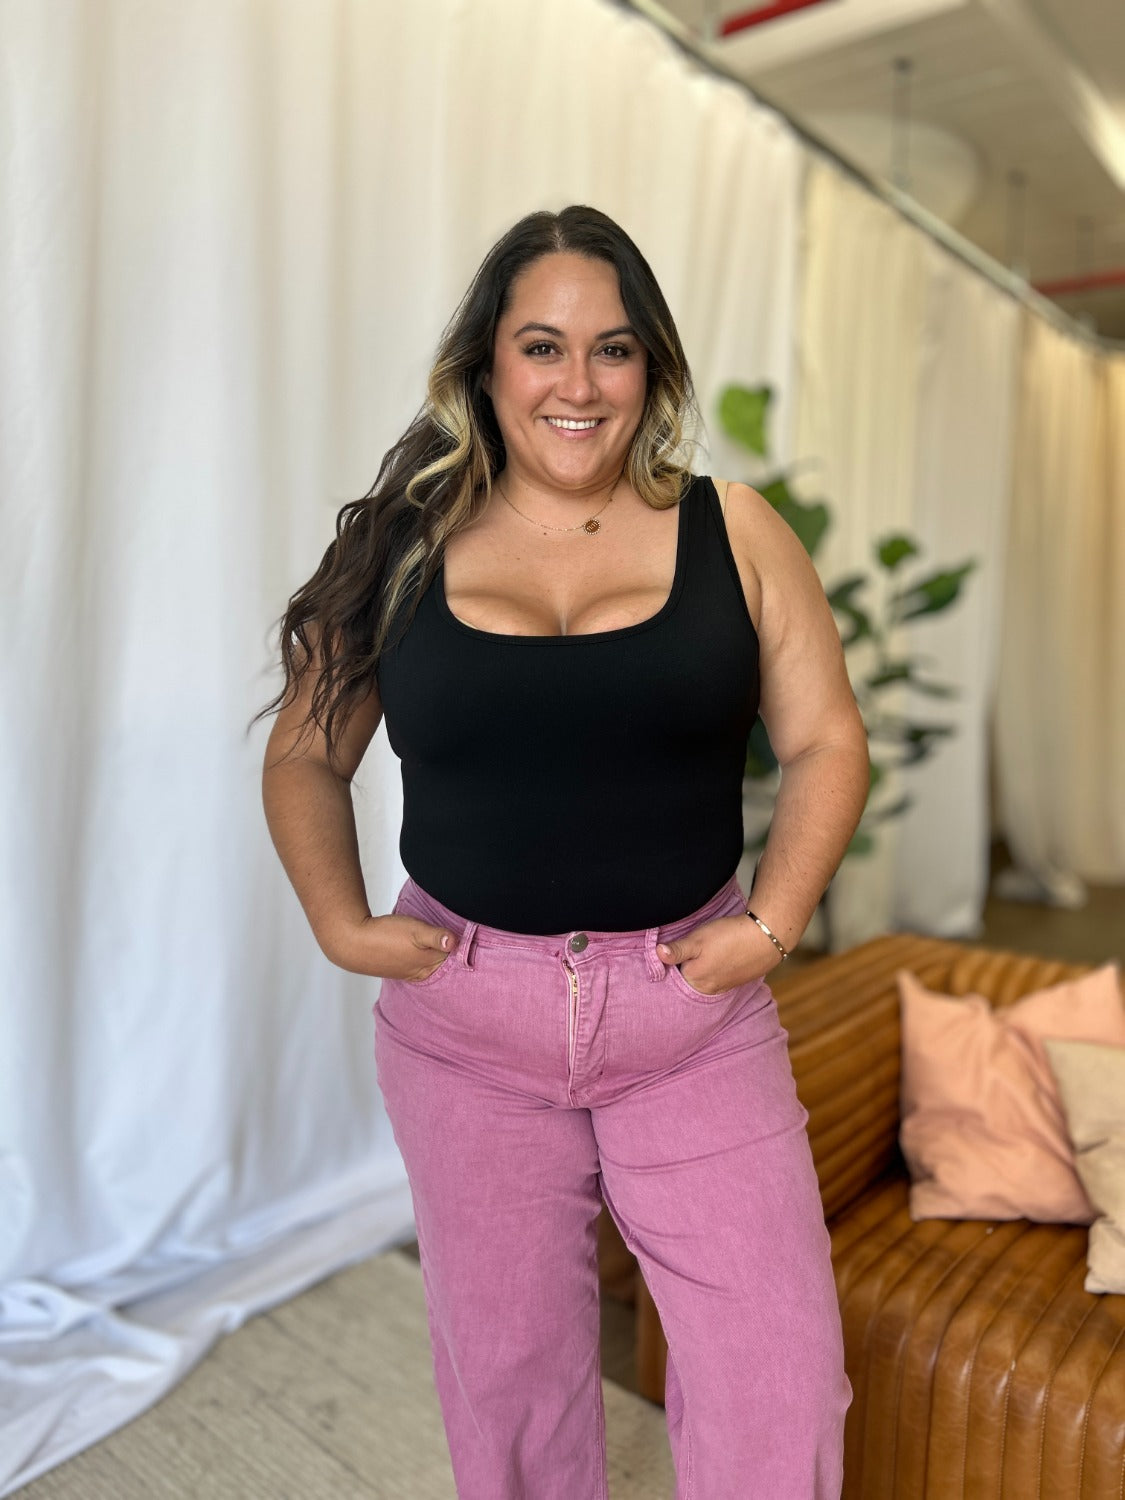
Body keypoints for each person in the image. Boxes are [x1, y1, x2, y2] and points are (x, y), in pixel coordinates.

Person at [258, 205, 869, 1500]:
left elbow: (825, 741)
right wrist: (340, 924)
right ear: (486, 366)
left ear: (651, 366)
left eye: (612, 348)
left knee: (781, 1384)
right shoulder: (401, 544)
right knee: (513, 1394)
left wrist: (772, 925)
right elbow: (306, 755)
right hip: (466, 1024)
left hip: (690, 1015)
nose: (577, 384)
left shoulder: (735, 531)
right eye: (542, 347)